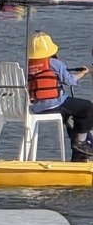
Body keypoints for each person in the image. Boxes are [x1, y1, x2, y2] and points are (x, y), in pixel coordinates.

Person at [26, 32, 93, 161]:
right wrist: (82, 73)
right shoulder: (55, 63)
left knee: (70, 117)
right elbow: (70, 81)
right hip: (55, 104)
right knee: (87, 107)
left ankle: (78, 153)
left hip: (37, 107)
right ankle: (80, 144)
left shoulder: (29, 65)